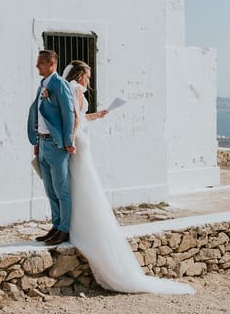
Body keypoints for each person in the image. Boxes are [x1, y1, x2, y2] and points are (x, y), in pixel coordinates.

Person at [62, 60, 195, 295]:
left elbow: (79, 117)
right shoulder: (76, 89)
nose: (89, 81)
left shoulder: (68, 88)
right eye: (88, 76)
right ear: (81, 75)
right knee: (85, 181)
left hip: (80, 138)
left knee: (79, 181)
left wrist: (96, 116)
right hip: (80, 141)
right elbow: (74, 120)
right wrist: (71, 141)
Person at [27, 50, 76, 246]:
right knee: (49, 189)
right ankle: (55, 225)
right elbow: (39, 115)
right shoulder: (42, 86)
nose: (37, 66)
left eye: (40, 63)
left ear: (51, 64)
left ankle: (64, 229)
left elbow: (69, 114)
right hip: (43, 144)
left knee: (61, 189)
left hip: (57, 146)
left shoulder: (60, 85)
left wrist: (67, 142)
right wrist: (37, 143)